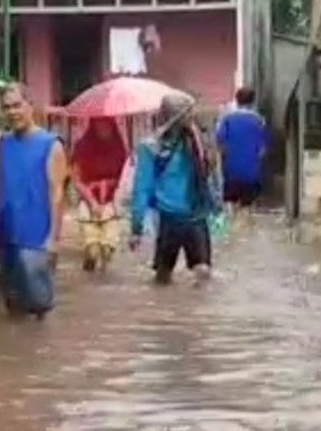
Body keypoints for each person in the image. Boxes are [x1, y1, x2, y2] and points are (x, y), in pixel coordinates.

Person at [0, 82, 68, 318]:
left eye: (17, 106)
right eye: (7, 108)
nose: (12, 112)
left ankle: (41, 354)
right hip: (5, 236)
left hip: (36, 239)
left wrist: (53, 239)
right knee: (13, 309)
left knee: (40, 310)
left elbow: (57, 193)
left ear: (30, 106)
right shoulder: (3, 141)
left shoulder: (51, 144)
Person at [129, 94, 222, 285]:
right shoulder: (199, 144)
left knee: (163, 278)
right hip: (194, 216)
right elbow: (213, 179)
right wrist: (217, 208)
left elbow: (141, 189)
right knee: (202, 272)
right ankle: (197, 312)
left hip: (172, 219)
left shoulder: (151, 147)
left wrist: (136, 228)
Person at [70, 117, 129, 271]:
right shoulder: (82, 147)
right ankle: (90, 259)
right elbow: (76, 180)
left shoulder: (119, 147)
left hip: (112, 200)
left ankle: (104, 270)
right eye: (100, 125)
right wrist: (92, 202)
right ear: (93, 126)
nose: (104, 129)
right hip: (89, 198)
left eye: (107, 125)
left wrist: (119, 199)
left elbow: (125, 178)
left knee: (108, 247)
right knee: (93, 248)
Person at [215, 87, 268, 211]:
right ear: (253, 101)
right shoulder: (259, 121)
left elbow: (220, 144)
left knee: (231, 208)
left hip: (231, 172)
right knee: (248, 210)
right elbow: (262, 150)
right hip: (251, 174)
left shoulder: (226, 119)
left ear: (237, 100)